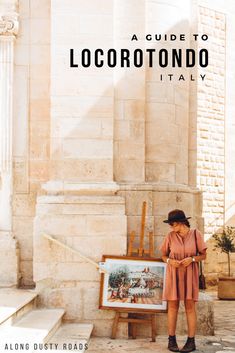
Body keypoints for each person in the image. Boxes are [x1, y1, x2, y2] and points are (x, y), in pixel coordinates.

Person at [160, 209, 207, 353]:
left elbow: (203, 255)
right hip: (173, 273)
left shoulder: (195, 234)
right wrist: (169, 261)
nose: (171, 227)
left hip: (190, 274)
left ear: (181, 222)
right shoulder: (170, 236)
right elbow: (163, 255)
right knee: (173, 306)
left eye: (172, 224)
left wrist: (192, 259)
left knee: (189, 307)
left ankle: (191, 341)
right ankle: (171, 340)